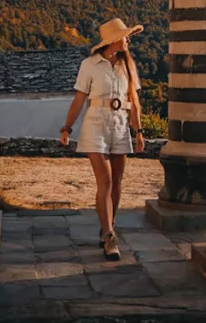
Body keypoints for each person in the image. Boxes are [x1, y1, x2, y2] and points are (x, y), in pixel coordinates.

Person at [59, 18, 145, 260]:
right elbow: (79, 99)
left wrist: (138, 132)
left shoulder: (127, 66)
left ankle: (108, 226)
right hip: (95, 124)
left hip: (120, 125)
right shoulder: (90, 64)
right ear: (113, 40)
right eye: (125, 36)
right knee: (105, 183)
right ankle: (109, 236)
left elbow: (134, 103)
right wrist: (67, 127)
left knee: (117, 184)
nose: (128, 39)